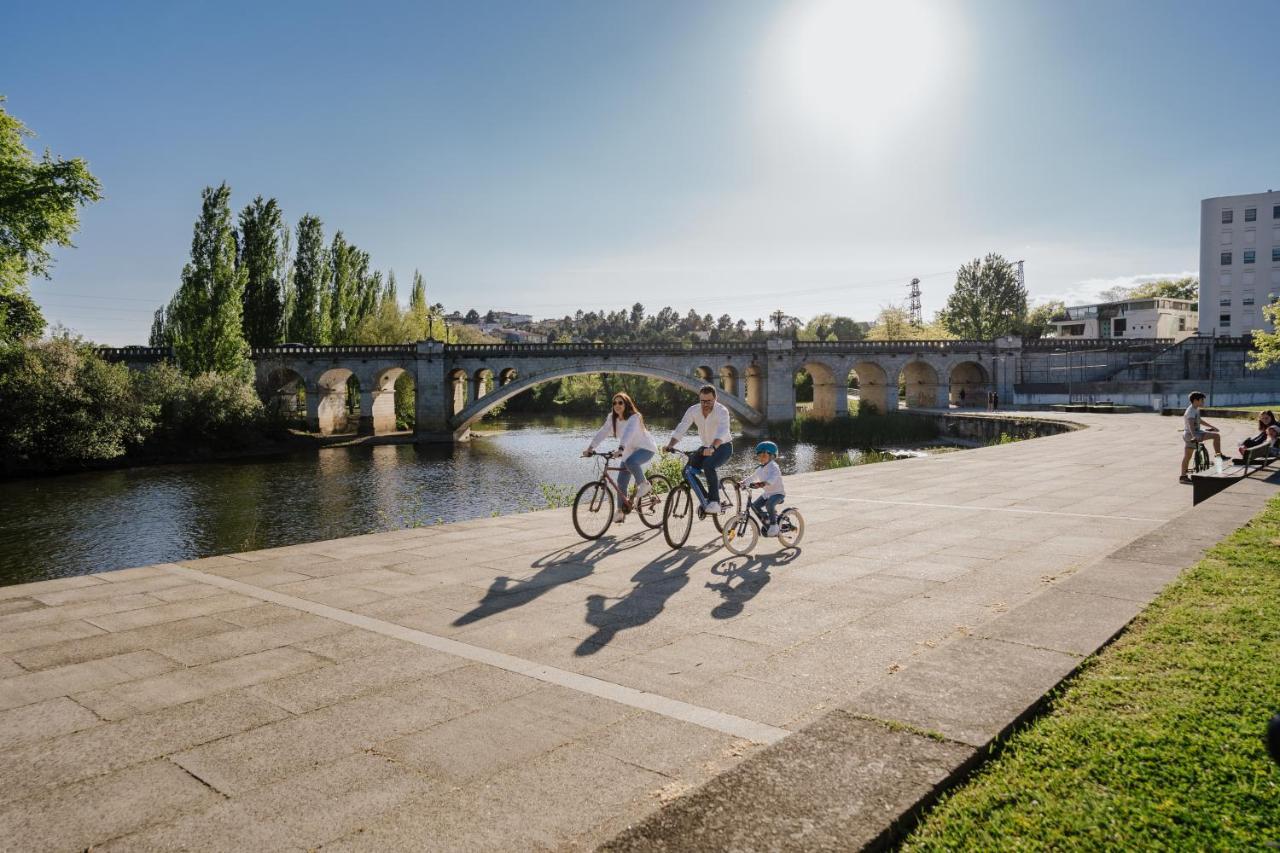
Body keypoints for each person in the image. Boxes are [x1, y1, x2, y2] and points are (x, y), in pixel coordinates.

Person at [583, 391, 658, 524]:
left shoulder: (635, 417)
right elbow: (603, 432)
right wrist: (590, 448)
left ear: (626, 403)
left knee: (631, 461)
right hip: (628, 451)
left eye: (620, 402)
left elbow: (628, 433)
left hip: (645, 448)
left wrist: (621, 448)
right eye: (614, 403)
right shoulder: (612, 417)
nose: (617, 405)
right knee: (621, 483)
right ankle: (620, 512)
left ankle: (644, 484)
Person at [665, 384, 733, 513]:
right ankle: (706, 498)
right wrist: (671, 444)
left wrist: (713, 447)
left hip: (723, 447)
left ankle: (715, 502)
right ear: (699, 399)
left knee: (708, 465)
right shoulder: (693, 410)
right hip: (706, 447)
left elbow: (723, 431)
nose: (705, 404)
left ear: (715, 398)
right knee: (686, 472)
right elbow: (682, 427)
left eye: (709, 401)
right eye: (702, 401)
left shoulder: (722, 411)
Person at [1179, 390, 1229, 484]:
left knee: (1187, 457)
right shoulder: (1191, 411)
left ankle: (1183, 476)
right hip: (1192, 434)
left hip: (1190, 434)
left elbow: (1199, 420)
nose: (1203, 402)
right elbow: (1190, 424)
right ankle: (1219, 456)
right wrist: (1194, 436)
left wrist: (1211, 427)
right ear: (1195, 400)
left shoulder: (1195, 409)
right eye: (1202, 400)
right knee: (1216, 436)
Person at [749, 441, 786, 536]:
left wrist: (761, 484)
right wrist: (742, 483)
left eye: (764, 456)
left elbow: (772, 480)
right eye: (759, 456)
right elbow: (752, 477)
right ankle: (768, 519)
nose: (761, 458)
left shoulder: (774, 467)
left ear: (772, 456)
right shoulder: (760, 468)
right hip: (767, 494)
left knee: (769, 504)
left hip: (778, 493)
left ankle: (774, 525)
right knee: (755, 506)